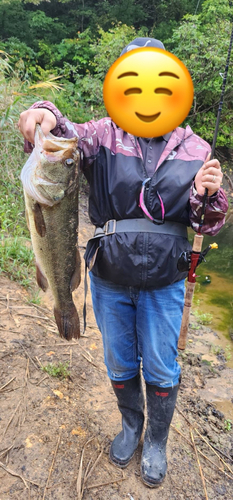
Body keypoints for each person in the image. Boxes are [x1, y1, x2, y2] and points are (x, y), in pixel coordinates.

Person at [18, 37, 228, 488]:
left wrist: (210, 193)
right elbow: (60, 135)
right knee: (119, 362)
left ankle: (155, 439)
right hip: (110, 275)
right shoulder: (101, 134)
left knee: (159, 365)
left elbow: (206, 224)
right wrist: (43, 112)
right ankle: (131, 426)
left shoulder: (196, 149)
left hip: (165, 280)